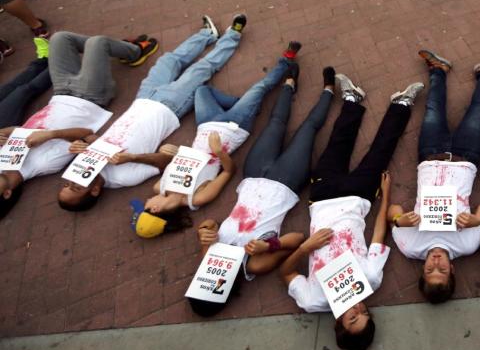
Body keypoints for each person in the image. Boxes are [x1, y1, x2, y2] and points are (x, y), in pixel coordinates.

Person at [279, 74, 423, 350]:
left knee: (337, 145)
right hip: (359, 199)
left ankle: (352, 100)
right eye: (364, 313)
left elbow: (285, 273)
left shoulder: (312, 300)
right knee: (381, 151)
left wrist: (305, 248)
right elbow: (380, 236)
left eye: (352, 318)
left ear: (338, 324)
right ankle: (402, 104)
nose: (357, 308)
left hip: (321, 200)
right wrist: (386, 196)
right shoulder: (371, 280)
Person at [188, 67, 337, 316]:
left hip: (254, 174)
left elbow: (211, 222)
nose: (210, 275)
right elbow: (297, 239)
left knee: (276, 123)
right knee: (308, 129)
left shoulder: (209, 256)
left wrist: (205, 230)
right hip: (286, 183)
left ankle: (289, 83)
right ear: (223, 289)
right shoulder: (254, 266)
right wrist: (268, 247)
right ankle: (328, 91)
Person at [57, 15, 247, 211]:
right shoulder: (123, 177)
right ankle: (233, 35)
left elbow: (89, 134)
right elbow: (165, 162)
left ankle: (207, 34)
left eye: (66, 184)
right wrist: (131, 158)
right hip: (169, 107)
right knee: (201, 69)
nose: (72, 180)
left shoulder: (83, 161)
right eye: (76, 187)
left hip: (143, 99)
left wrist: (84, 143)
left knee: (168, 60)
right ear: (94, 190)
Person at [134, 42, 300, 224]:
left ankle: (247, 104)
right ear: (155, 209)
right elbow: (230, 171)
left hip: (206, 124)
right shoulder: (197, 199)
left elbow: (173, 161)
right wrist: (219, 151)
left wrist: (169, 152)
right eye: (146, 205)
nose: (147, 200)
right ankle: (286, 61)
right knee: (259, 88)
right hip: (233, 128)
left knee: (202, 90)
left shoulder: (159, 187)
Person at [0, 31, 157, 218]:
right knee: (98, 42)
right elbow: (85, 132)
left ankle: (118, 49)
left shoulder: (3, 158)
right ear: (7, 193)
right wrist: (51, 135)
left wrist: (4, 132)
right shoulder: (44, 164)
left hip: (60, 92)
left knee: (60, 38)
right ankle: (135, 52)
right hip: (89, 98)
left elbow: (19, 131)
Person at [389, 50, 480, 303]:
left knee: (433, 108)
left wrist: (399, 219)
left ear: (422, 269)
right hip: (466, 159)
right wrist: (476, 219)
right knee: (478, 110)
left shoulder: (410, 247)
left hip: (430, 157)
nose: (436, 262)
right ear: (452, 270)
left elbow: (392, 212)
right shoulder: (467, 246)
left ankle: (438, 70)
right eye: (442, 270)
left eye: (430, 270)